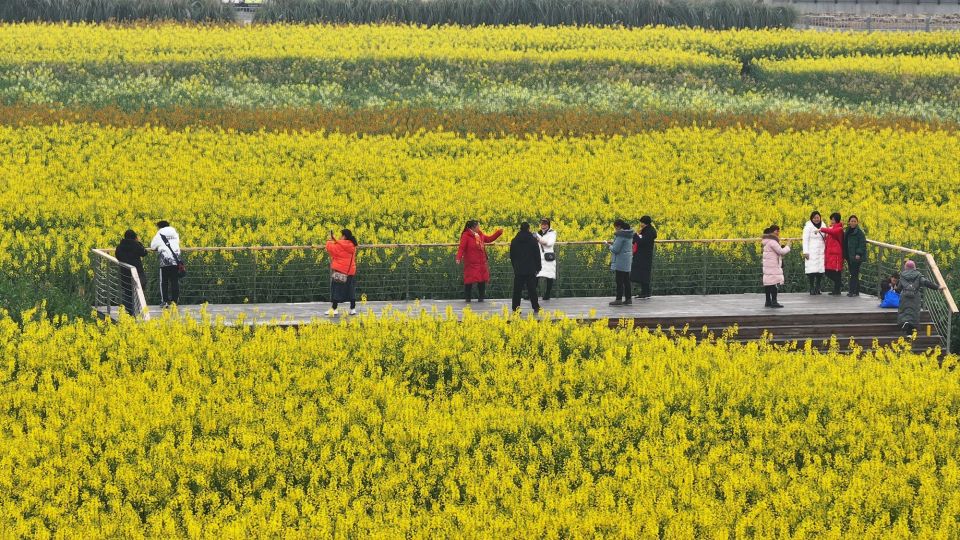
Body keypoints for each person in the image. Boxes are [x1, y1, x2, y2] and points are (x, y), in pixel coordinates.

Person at [456, 220, 503, 303]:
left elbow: (489, 239)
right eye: (478, 226)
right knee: (469, 281)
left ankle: (481, 298)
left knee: (482, 280)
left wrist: (498, 233)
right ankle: (468, 299)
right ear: (473, 227)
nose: (479, 227)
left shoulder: (480, 234)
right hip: (471, 263)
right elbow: (461, 248)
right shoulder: (466, 235)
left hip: (481, 262)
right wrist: (458, 258)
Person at [896, 260, 944, 334]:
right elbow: (926, 283)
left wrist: (897, 290)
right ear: (914, 267)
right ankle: (910, 332)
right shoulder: (918, 275)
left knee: (904, 311)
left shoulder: (902, 275)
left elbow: (899, 288)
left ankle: (905, 323)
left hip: (904, 296)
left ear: (906, 267)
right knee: (914, 313)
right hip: (915, 297)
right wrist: (937, 287)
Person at [509, 222, 542, 313]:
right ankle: (536, 307)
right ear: (528, 228)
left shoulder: (514, 240)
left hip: (519, 269)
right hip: (530, 269)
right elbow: (537, 255)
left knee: (517, 290)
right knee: (532, 289)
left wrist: (515, 266)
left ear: (520, 228)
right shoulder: (533, 240)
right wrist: (538, 267)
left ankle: (515, 308)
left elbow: (512, 255)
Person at [149, 220, 183, 307]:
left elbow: (152, 246)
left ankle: (165, 301)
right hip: (176, 260)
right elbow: (177, 243)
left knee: (164, 282)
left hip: (165, 261)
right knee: (174, 281)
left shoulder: (159, 234)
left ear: (159, 227)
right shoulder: (175, 233)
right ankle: (175, 301)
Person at [326, 229, 358, 316]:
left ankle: (334, 309)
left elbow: (330, 249)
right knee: (351, 289)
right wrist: (335, 240)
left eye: (341, 235)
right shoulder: (352, 245)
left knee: (336, 289)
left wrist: (329, 240)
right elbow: (342, 244)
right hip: (350, 271)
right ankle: (353, 309)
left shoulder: (340, 245)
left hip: (340, 270)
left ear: (344, 236)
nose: (340, 237)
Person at [115, 229, 147, 314]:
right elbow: (144, 253)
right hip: (137, 272)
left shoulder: (120, 246)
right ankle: (139, 311)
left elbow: (117, 256)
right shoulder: (136, 245)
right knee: (139, 289)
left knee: (128, 292)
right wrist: (139, 243)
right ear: (135, 237)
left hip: (125, 272)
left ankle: (129, 312)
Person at [761, 225, 791, 308]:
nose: (778, 233)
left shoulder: (766, 241)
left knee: (768, 283)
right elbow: (781, 252)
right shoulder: (772, 242)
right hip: (773, 265)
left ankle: (768, 301)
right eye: (776, 231)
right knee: (774, 283)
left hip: (768, 265)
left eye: (778, 231)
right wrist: (788, 246)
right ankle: (774, 302)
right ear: (772, 232)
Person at [607, 219, 634, 306]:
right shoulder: (628, 235)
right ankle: (628, 299)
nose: (615, 229)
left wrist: (608, 246)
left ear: (618, 226)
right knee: (626, 280)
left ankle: (618, 299)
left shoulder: (621, 236)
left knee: (619, 281)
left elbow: (616, 249)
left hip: (621, 261)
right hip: (627, 260)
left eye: (615, 227)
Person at [630, 215, 657, 299]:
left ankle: (645, 293)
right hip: (643, 255)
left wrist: (635, 235)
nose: (640, 224)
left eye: (641, 222)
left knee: (643, 274)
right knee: (643, 274)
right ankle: (645, 292)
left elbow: (641, 242)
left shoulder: (649, 231)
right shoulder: (647, 230)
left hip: (644, 255)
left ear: (644, 223)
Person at [819, 212, 844, 296]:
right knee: (828, 271)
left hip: (836, 254)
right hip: (830, 253)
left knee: (834, 272)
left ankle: (838, 287)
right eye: (831, 219)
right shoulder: (831, 228)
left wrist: (821, 229)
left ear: (837, 220)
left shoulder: (839, 229)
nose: (832, 221)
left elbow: (833, 232)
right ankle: (837, 288)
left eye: (833, 219)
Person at [801, 211, 825, 295]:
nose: (816, 219)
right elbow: (805, 239)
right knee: (811, 271)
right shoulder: (808, 227)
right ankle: (811, 288)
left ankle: (818, 288)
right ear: (811, 218)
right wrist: (805, 252)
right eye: (814, 218)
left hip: (821, 251)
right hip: (811, 251)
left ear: (820, 217)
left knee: (820, 271)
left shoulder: (823, 225)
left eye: (818, 217)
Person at [843, 215, 867, 297]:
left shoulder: (859, 233)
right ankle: (856, 291)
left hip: (856, 257)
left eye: (854, 221)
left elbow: (862, 244)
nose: (853, 223)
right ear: (849, 222)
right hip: (849, 256)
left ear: (857, 222)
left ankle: (852, 291)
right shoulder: (847, 230)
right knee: (854, 273)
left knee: (853, 274)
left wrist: (858, 253)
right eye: (851, 221)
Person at [534, 219, 557, 300]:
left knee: (549, 276)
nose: (543, 225)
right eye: (542, 224)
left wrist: (538, 238)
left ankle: (547, 294)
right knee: (536, 276)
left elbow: (549, 243)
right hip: (539, 257)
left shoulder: (552, 233)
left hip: (548, 257)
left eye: (545, 224)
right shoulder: (539, 233)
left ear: (549, 225)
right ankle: (532, 294)